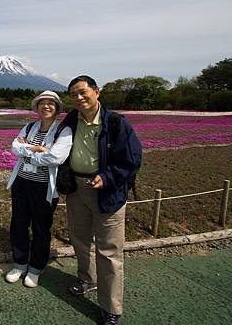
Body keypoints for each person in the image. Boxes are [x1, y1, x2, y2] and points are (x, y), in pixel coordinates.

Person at [62, 75, 142, 325]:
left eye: (83, 92)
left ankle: (111, 308)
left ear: (97, 92)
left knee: (109, 251)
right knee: (80, 239)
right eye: (73, 94)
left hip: (108, 191)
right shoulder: (70, 120)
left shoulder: (117, 123)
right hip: (76, 188)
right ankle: (88, 279)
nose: (78, 98)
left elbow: (131, 160)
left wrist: (106, 178)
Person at [5, 90, 73, 287]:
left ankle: (35, 268)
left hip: (44, 187)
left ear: (58, 108)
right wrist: (39, 150)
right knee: (18, 224)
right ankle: (19, 263)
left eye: (51, 103)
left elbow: (56, 158)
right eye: (42, 103)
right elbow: (14, 148)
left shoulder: (64, 131)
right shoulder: (29, 126)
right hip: (22, 183)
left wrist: (28, 151)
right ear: (36, 107)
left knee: (41, 227)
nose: (46, 106)